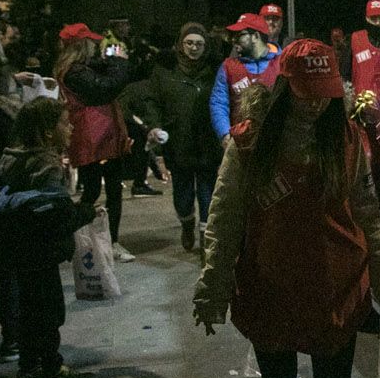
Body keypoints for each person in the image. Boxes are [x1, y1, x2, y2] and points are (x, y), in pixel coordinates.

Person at [193, 40, 380, 378]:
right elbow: (225, 215)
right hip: (271, 282)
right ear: (283, 88)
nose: (314, 104)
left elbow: (366, 205)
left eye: (324, 94)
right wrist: (213, 285)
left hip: (335, 283)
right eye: (305, 94)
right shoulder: (249, 141)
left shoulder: (346, 137)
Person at [0, 99, 100, 378]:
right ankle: (49, 367)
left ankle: (30, 366)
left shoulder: (12, 157)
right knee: (48, 313)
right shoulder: (46, 165)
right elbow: (54, 216)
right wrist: (86, 211)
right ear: (48, 132)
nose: (71, 127)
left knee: (29, 311)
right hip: (41, 251)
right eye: (65, 123)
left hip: (19, 250)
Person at [135, 23, 220, 250]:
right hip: (178, 142)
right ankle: (186, 223)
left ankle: (205, 237)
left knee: (207, 193)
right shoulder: (164, 71)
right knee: (182, 196)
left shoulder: (215, 70)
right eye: (189, 43)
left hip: (207, 143)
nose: (194, 48)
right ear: (180, 45)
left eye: (199, 44)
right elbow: (151, 101)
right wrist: (154, 126)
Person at [55, 23, 134, 260]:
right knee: (99, 190)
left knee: (100, 189)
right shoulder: (75, 72)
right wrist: (119, 61)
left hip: (98, 136)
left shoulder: (74, 68)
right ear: (82, 45)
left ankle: (94, 239)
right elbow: (106, 87)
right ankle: (98, 240)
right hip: (96, 137)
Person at [210, 13, 280, 143]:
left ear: (256, 36)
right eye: (232, 36)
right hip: (240, 143)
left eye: (239, 35)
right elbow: (219, 103)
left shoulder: (281, 63)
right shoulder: (228, 66)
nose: (233, 40)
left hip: (276, 142)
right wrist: (224, 134)